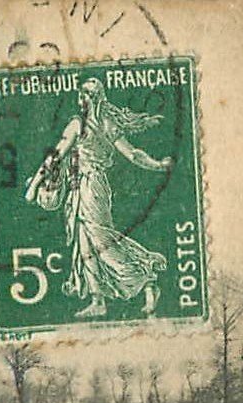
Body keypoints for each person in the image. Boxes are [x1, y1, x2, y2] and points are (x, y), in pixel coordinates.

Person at [24, 78, 172, 319]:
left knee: (101, 241)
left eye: (84, 95)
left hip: (90, 186)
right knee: (85, 244)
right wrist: (157, 165)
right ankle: (98, 299)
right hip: (82, 187)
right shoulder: (101, 123)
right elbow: (131, 154)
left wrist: (157, 165)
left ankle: (145, 279)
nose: (80, 100)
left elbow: (56, 157)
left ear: (92, 98)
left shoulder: (83, 124)